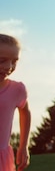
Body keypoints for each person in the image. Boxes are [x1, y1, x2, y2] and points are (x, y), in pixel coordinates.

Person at [0, 34, 31, 171]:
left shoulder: (17, 90)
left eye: (14, 61)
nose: (9, 66)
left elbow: (25, 112)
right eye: (2, 60)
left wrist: (23, 146)